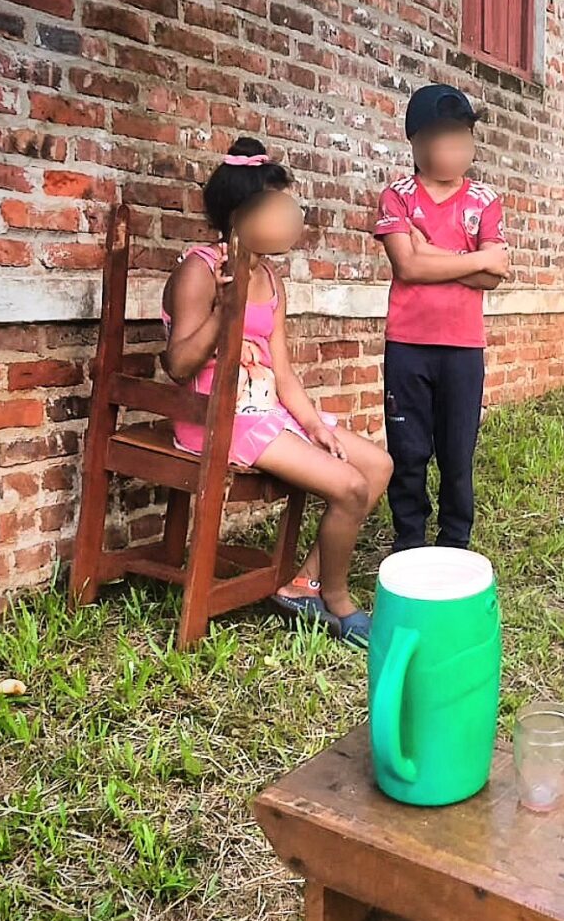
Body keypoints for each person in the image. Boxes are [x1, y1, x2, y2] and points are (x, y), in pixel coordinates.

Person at [162, 137, 393, 647]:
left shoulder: (270, 277)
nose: (290, 218)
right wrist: (226, 311)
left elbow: (284, 374)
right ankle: (335, 599)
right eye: (275, 207)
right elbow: (178, 365)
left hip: (267, 411)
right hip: (214, 416)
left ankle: (304, 583)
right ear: (239, 216)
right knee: (349, 487)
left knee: (376, 467)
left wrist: (313, 425)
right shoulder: (199, 270)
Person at [373, 84, 511, 552]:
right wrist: (472, 259)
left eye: (462, 138)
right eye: (440, 138)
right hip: (408, 345)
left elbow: (497, 275)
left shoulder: (485, 200)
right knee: (409, 450)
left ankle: (456, 541)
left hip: (464, 347)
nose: (453, 149)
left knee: (458, 452)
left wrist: (431, 252)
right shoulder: (398, 196)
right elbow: (408, 267)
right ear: (415, 143)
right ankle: (408, 539)